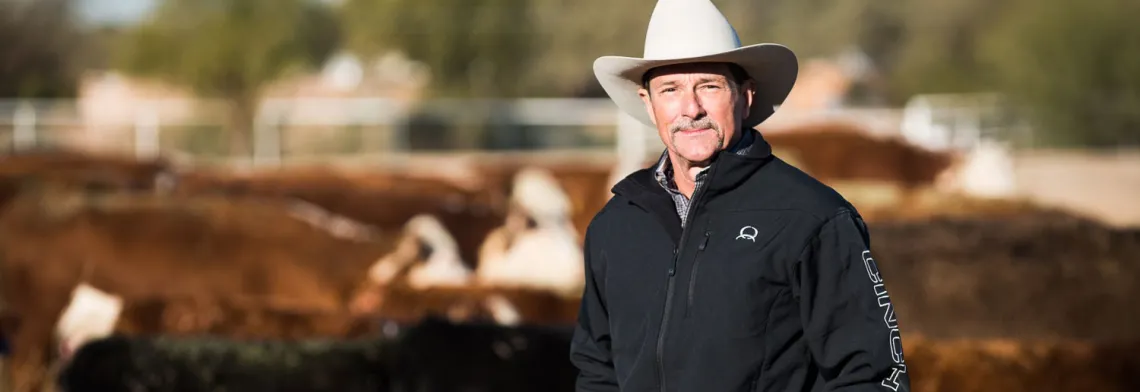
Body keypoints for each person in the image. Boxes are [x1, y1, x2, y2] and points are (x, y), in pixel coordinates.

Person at [569, 0, 912, 391]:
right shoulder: (616, 224)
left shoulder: (812, 218)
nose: (691, 108)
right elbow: (597, 369)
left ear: (745, 96)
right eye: (670, 89)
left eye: (709, 86)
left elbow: (870, 377)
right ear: (648, 103)